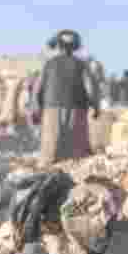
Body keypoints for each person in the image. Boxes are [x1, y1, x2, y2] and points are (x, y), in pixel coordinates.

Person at [34, 29, 98, 166]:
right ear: (75, 47)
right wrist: (96, 107)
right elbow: (91, 88)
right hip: (77, 110)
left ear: (58, 46)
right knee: (77, 153)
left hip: (51, 110)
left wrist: (35, 108)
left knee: (50, 151)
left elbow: (37, 88)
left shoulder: (48, 64)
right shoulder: (82, 65)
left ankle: (46, 175)